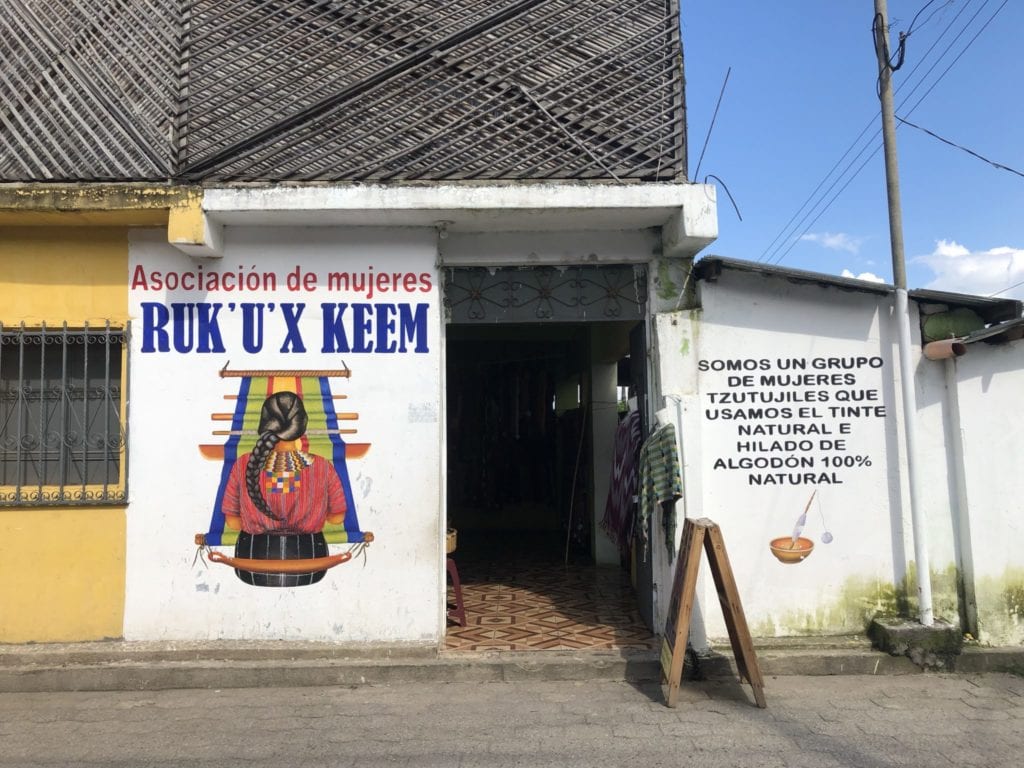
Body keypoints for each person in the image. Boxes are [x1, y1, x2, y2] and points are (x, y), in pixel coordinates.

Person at [221, 391, 347, 535]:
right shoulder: (322, 467)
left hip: (253, 553)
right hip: (310, 553)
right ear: (301, 425)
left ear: (264, 424)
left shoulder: (243, 464)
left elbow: (232, 522)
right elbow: (337, 518)